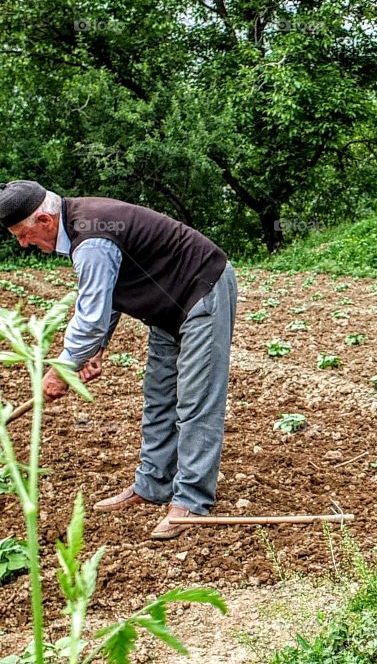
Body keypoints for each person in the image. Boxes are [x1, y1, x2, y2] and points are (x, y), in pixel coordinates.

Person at [0, 180, 237, 540]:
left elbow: (90, 316)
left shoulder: (91, 238)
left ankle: (190, 501)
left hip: (200, 291)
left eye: (23, 233)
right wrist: (94, 350)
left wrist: (62, 369)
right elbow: (105, 295)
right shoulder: (81, 227)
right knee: (158, 396)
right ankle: (153, 485)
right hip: (165, 306)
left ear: (46, 220)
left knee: (196, 402)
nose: (23, 243)